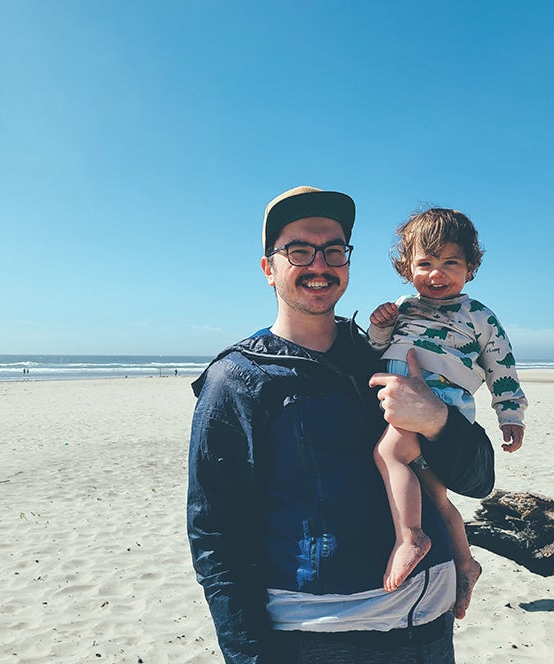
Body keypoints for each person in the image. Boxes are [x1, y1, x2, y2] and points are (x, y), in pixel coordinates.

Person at [187, 187, 496, 663]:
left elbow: (478, 479)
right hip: (326, 638)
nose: (319, 264)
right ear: (269, 269)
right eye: (298, 251)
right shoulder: (238, 379)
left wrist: (436, 419)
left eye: (334, 250)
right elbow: (215, 537)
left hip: (430, 625)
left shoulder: (385, 354)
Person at [367, 208, 527, 613]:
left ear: (470, 268)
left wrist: (511, 415)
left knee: (387, 454)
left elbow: (501, 367)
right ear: (407, 268)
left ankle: (411, 537)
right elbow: (373, 348)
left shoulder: (478, 316)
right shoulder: (405, 306)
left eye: (450, 263)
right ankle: (466, 563)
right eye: (425, 264)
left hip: (440, 405)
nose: (436, 275)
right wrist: (381, 326)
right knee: (436, 495)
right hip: (398, 399)